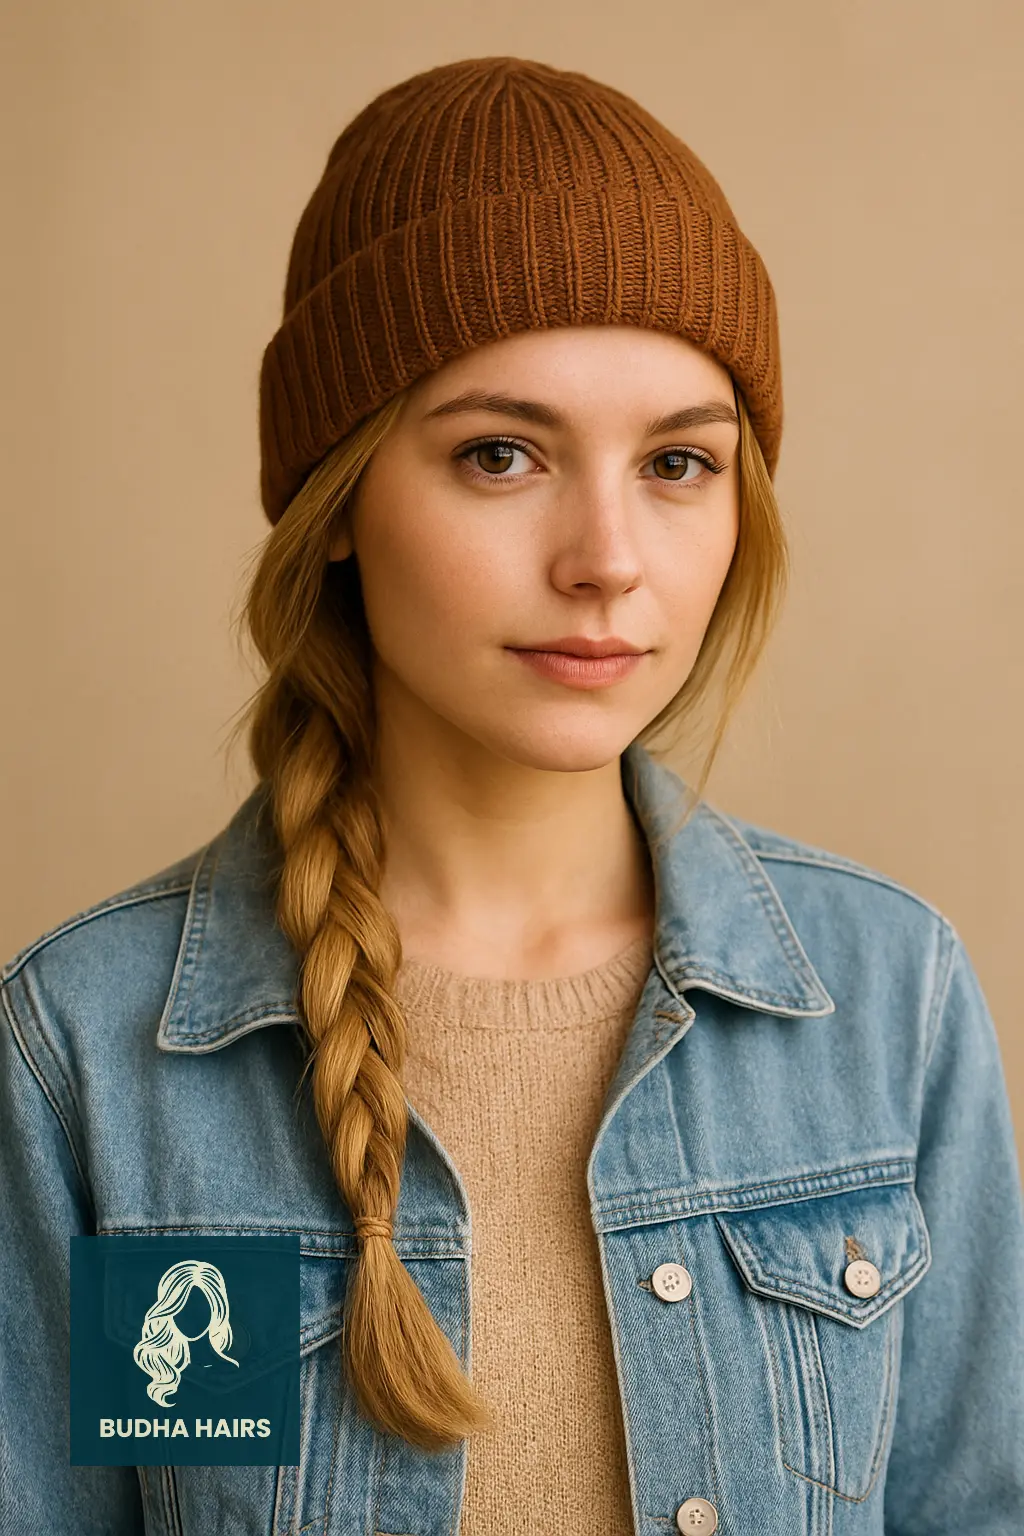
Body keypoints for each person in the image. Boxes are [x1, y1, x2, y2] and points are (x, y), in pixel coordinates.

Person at [1, 52, 1022, 1536]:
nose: (607, 557)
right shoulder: (90, 1052)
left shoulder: (890, 999)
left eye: (680, 462)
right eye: (501, 454)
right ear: (338, 498)